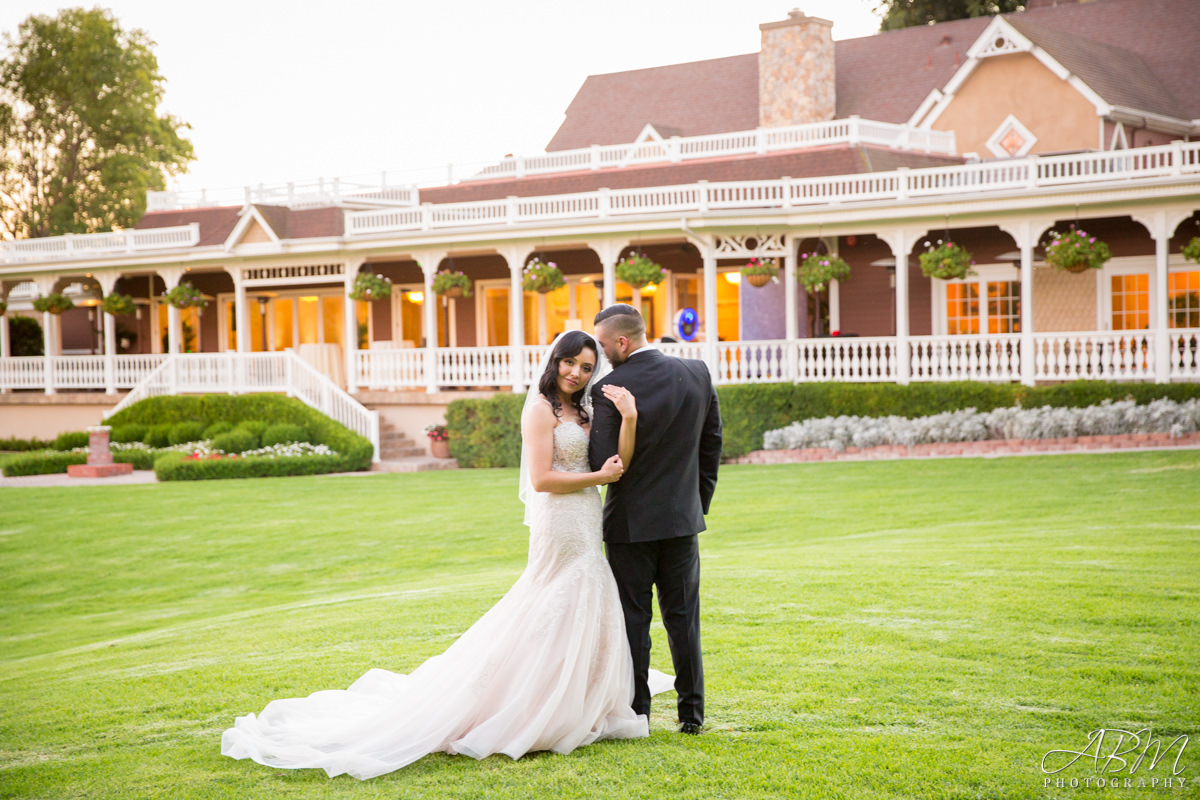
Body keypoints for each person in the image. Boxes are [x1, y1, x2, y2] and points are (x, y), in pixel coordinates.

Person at [221, 330, 669, 780]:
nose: (576, 372)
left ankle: (579, 699)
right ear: (555, 361)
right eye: (570, 362)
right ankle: (528, 704)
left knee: (585, 596)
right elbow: (541, 480)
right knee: (552, 601)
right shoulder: (538, 410)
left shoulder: (587, 410)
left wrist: (628, 419)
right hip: (561, 521)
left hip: (588, 520)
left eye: (587, 367)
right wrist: (595, 476)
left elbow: (618, 466)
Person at [589, 304, 722, 735]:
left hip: (630, 525)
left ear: (622, 342)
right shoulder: (698, 373)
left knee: (633, 619)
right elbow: (711, 445)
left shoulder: (610, 387)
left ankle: (638, 713)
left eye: (605, 346)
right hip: (682, 520)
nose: (604, 354)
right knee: (684, 618)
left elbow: (604, 463)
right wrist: (695, 504)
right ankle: (692, 714)